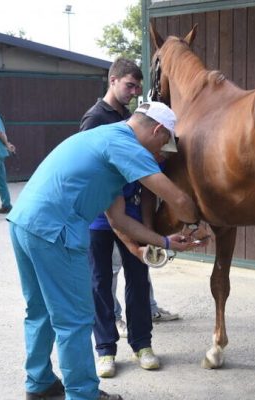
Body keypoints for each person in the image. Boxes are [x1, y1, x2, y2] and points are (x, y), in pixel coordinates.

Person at [8, 101, 207, 400]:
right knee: (74, 319)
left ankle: (39, 383)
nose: (160, 153)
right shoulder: (127, 146)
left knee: (39, 309)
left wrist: (164, 242)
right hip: (55, 231)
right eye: (163, 145)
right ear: (157, 130)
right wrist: (201, 222)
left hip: (24, 222)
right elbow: (176, 198)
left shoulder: (105, 139)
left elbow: (119, 219)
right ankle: (83, 395)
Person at [79, 58, 178, 346]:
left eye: (138, 87)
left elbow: (145, 175)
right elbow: (93, 174)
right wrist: (132, 236)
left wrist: (145, 231)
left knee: (138, 276)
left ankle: (142, 343)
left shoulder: (130, 117)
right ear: (112, 80)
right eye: (129, 85)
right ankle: (105, 346)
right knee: (102, 279)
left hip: (131, 209)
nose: (135, 92)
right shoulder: (95, 119)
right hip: (102, 214)